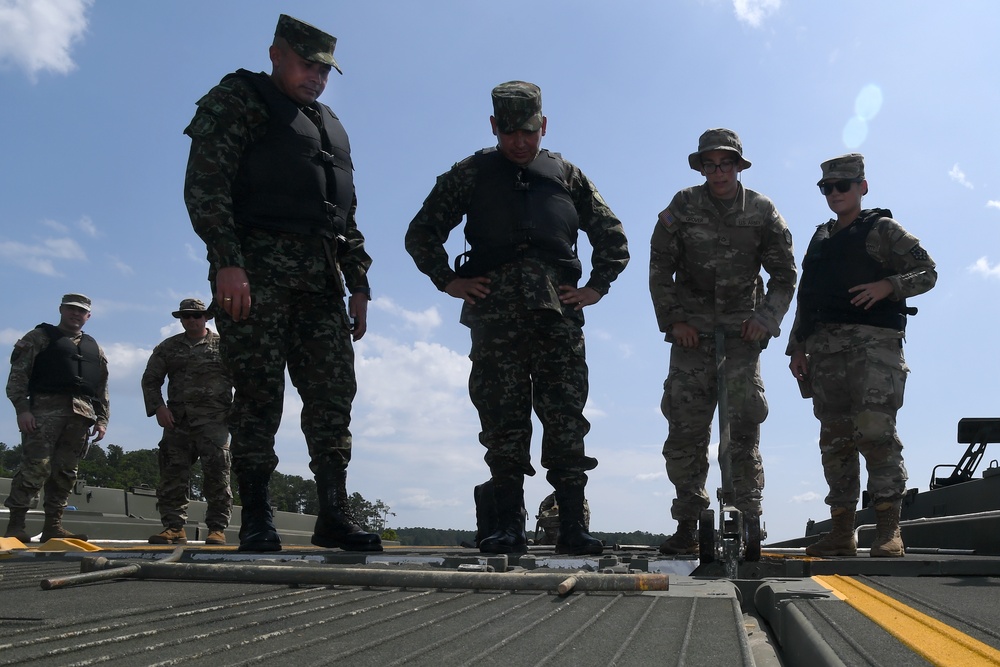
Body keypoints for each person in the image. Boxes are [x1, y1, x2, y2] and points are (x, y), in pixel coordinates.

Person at [183, 14, 381, 553]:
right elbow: (206, 184)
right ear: (276, 54)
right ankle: (257, 517)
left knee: (333, 398)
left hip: (322, 284)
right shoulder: (239, 99)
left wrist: (358, 283)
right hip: (255, 276)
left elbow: (347, 215)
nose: (316, 77)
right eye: (306, 64)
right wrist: (227, 260)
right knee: (257, 397)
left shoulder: (328, 125)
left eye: (324, 69)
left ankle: (334, 513)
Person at [405, 81, 629, 556]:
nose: (519, 142)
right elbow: (421, 232)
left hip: (558, 318)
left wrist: (595, 287)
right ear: (494, 127)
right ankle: (506, 525)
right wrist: (448, 280)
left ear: (543, 126)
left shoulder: (567, 174)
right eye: (508, 133)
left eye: (527, 131)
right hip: (496, 318)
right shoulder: (470, 173)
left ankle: (572, 525)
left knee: (565, 419)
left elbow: (612, 236)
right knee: (503, 420)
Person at [649, 128, 796, 555]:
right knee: (685, 432)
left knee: (742, 431)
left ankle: (748, 520)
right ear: (701, 167)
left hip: (739, 338)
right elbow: (660, 267)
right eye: (710, 164)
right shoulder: (683, 206)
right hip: (691, 338)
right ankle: (688, 525)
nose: (718, 172)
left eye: (726, 163)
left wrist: (765, 319)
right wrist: (674, 320)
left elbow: (784, 274)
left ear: (738, 165)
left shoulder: (762, 211)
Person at [787, 153, 936, 558]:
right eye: (827, 188)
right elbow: (808, 297)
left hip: (873, 348)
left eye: (843, 186)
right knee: (834, 441)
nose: (835, 193)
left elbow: (927, 273)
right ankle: (841, 532)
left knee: (874, 433)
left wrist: (888, 286)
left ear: (862, 187)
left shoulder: (883, 229)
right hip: (824, 353)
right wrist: (797, 346)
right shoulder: (821, 238)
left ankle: (889, 529)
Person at [3, 293, 109, 543]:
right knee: (35, 467)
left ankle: (53, 526)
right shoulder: (38, 338)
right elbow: (18, 376)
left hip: (81, 416)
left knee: (65, 472)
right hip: (43, 412)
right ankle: (16, 525)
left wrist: (102, 420)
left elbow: (102, 387)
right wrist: (22, 409)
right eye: (71, 309)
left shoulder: (95, 348)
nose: (76, 314)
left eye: (81, 311)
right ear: (61, 309)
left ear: (88, 316)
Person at [141, 299, 233, 545]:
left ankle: (217, 528)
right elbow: (151, 380)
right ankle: (173, 527)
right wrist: (158, 407)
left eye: (197, 315)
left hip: (214, 422)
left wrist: (237, 413)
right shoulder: (168, 347)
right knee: (173, 475)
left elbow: (242, 380)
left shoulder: (223, 346)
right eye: (186, 316)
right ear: (181, 319)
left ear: (206, 317)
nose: (191, 320)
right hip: (177, 422)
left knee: (217, 475)